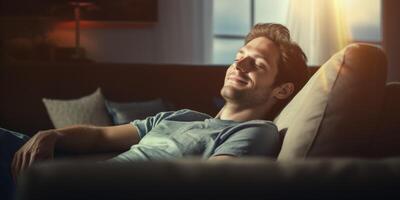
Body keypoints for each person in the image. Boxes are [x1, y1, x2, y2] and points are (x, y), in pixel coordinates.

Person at [1, 23, 308, 199]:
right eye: (240, 56)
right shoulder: (181, 116)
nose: (238, 65)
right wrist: (51, 134)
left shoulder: (255, 131)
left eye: (257, 64)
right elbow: (99, 137)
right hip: (63, 170)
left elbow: (208, 184)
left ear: (281, 90)